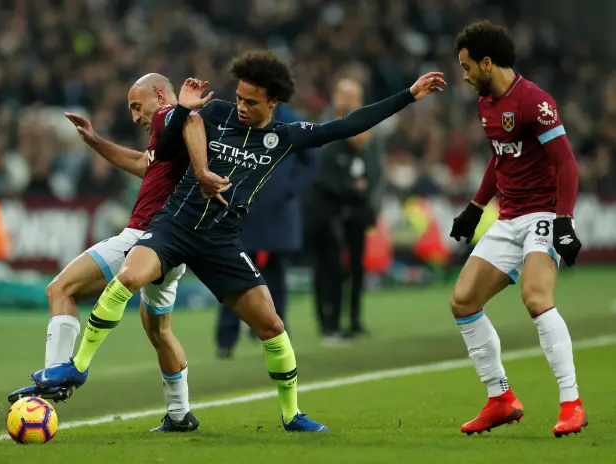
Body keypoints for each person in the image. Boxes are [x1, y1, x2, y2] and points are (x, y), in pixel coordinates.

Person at [31, 51, 445, 433]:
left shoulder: (286, 136)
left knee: (272, 325)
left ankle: (291, 414)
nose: (241, 106)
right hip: (176, 223)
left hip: (220, 240)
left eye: (251, 101)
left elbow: (348, 125)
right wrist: (202, 169)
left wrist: (408, 96)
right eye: (240, 97)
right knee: (129, 276)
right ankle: (79, 366)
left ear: (273, 102)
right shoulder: (214, 113)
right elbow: (187, 124)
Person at [8, 74, 200, 432]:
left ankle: (56, 376)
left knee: (60, 288)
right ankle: (180, 414)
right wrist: (95, 141)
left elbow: (174, 134)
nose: (134, 117)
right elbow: (144, 165)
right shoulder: (173, 133)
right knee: (159, 331)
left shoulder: (171, 118)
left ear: (159, 96)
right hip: (175, 247)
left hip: (144, 238)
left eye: (136, 106)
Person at [449, 20, 585, 438]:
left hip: (543, 214)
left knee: (535, 297)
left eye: (468, 66)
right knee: (463, 301)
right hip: (509, 218)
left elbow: (565, 162)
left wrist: (564, 219)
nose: (465, 75)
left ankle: (571, 402)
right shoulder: (486, 104)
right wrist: (474, 207)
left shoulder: (535, 102)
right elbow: (499, 158)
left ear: (488, 63)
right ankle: (501, 399)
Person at [215, 102, 320, 359]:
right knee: (234, 276)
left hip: (278, 214)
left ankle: (277, 336)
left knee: (276, 280)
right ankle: (226, 340)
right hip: (242, 212)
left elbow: (313, 161)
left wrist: (289, 188)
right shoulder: (238, 119)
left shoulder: (292, 122)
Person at [306, 77, 381, 343]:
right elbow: (323, 175)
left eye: (355, 96)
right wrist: (355, 188)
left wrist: (370, 200)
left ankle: (353, 319)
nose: (350, 101)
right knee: (329, 268)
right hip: (329, 211)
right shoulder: (327, 128)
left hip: (357, 211)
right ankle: (328, 321)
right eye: (346, 95)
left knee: (355, 267)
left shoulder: (368, 131)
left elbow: (375, 171)